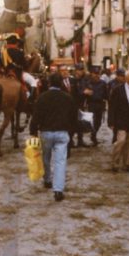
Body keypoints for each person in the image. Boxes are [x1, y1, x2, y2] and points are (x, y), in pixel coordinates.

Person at [29, 72, 77, 202]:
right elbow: (74, 118)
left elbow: (36, 116)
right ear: (61, 83)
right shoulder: (68, 98)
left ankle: (47, 180)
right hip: (62, 132)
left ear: (49, 83)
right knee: (60, 161)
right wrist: (71, 133)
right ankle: (58, 190)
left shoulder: (42, 97)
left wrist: (33, 131)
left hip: (46, 132)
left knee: (46, 157)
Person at [80, 65, 108, 146]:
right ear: (91, 74)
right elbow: (82, 93)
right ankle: (93, 135)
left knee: (99, 122)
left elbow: (106, 95)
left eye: (98, 73)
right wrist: (85, 92)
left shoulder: (103, 83)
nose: (96, 75)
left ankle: (94, 134)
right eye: (94, 73)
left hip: (100, 104)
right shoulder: (88, 83)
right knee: (92, 121)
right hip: (91, 104)